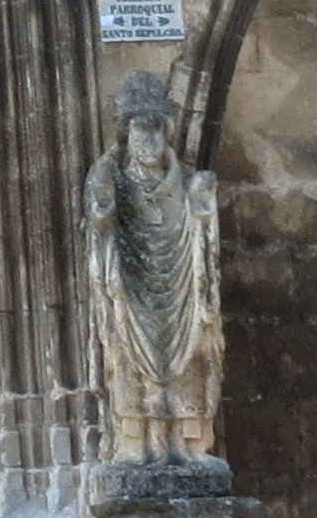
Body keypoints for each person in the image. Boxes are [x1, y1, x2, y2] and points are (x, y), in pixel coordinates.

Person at [83, 70, 222, 465]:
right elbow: (100, 225)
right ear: (126, 136)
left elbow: (202, 230)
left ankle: (188, 446)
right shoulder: (111, 177)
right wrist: (102, 206)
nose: (149, 142)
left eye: (155, 132)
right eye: (140, 133)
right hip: (132, 287)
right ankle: (136, 444)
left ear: (166, 136)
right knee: (128, 353)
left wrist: (203, 209)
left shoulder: (189, 180)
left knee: (193, 351)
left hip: (181, 288)